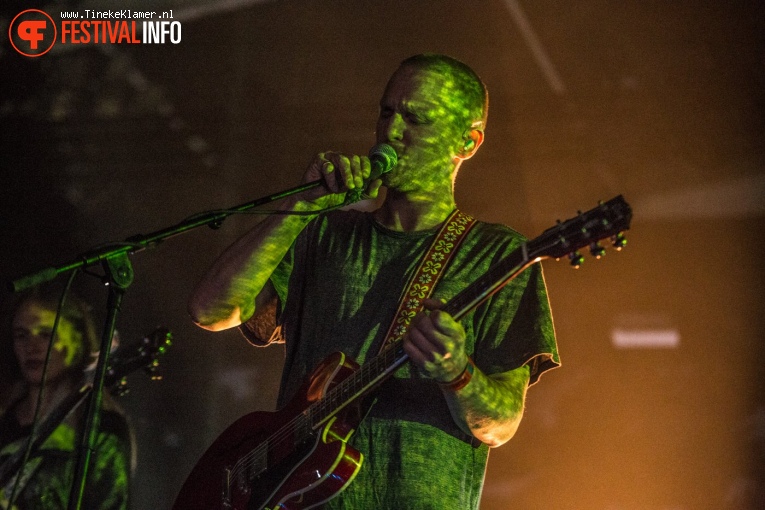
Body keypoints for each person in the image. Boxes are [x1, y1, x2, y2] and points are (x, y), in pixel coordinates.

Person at [188, 53, 560, 509]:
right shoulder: (323, 232)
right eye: (387, 112)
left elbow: (501, 423)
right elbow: (210, 310)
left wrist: (457, 373)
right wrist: (302, 206)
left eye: (416, 118)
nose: (392, 132)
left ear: (469, 141)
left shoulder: (497, 254)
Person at [0, 285, 133, 509]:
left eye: (46, 334)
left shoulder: (100, 429)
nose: (31, 347)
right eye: (21, 335)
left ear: (77, 338)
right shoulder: (5, 422)